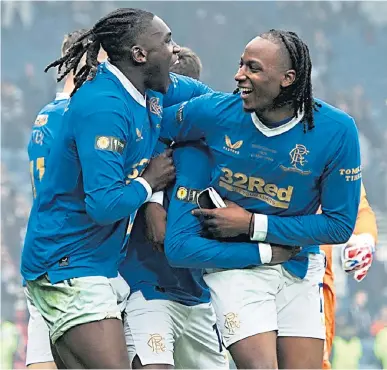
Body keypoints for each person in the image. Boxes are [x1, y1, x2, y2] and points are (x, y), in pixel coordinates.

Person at [161, 29, 361, 368]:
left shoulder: (337, 130)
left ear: (288, 78)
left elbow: (339, 226)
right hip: (236, 265)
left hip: (297, 263)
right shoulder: (214, 112)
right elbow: (153, 133)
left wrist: (254, 224)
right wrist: (153, 197)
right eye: (241, 65)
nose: (239, 75)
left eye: (253, 68)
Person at [21, 8, 182, 368]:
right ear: (139, 54)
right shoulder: (103, 105)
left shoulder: (146, 89)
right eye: (167, 41)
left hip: (93, 263)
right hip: (69, 264)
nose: (176, 50)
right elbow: (104, 204)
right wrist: (149, 183)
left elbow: (208, 100)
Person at [24, 29, 109, 370]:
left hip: (46, 253)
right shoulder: (74, 118)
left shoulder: (46, 115)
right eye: (106, 64)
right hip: (72, 262)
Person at [321, 182, 378, 369]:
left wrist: (364, 238)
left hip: (311, 281)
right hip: (249, 270)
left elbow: (358, 206)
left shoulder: (332, 155)